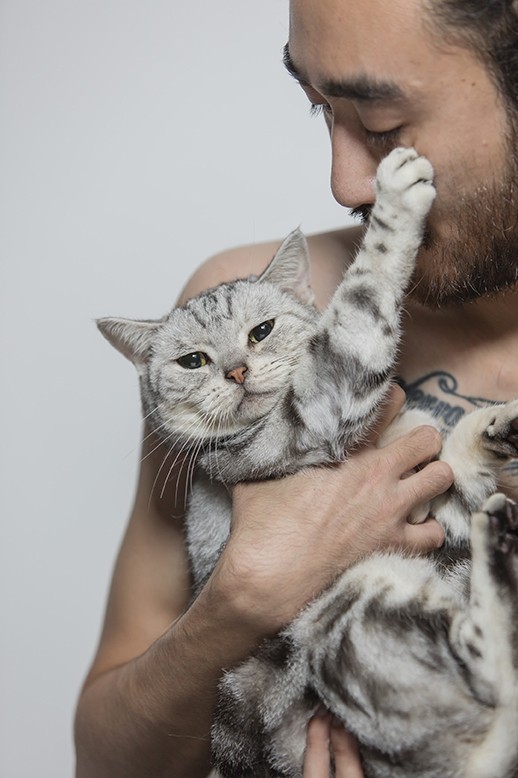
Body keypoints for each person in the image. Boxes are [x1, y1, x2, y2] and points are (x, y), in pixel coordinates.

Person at [74, 0, 518, 776]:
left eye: (380, 123)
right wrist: (238, 601)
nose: (343, 182)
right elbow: (106, 763)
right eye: (320, 108)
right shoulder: (240, 308)